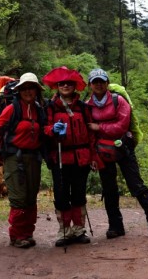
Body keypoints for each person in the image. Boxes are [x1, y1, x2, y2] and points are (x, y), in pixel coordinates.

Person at [86, 68, 148, 239]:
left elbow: (121, 126)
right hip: (102, 152)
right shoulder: (88, 106)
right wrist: (92, 155)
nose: (98, 84)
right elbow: (89, 134)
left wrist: (99, 127)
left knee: (136, 185)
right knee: (109, 189)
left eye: (101, 81)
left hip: (124, 148)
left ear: (107, 83)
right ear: (90, 85)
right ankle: (115, 227)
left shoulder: (119, 101)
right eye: (95, 82)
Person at [0, 72, 46, 248]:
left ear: (36, 90)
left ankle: (27, 233)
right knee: (18, 198)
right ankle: (17, 235)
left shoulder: (39, 109)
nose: (27, 91)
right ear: (19, 91)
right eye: (24, 88)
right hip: (13, 157)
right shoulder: (13, 108)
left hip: (34, 158)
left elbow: (44, 130)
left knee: (31, 197)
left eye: (31, 88)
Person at [42, 66, 103, 247]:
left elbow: (91, 135)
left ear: (75, 86)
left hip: (81, 158)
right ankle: (64, 231)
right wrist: (52, 130)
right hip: (59, 158)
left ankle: (78, 229)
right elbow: (44, 129)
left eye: (69, 83)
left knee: (78, 194)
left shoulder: (83, 108)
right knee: (61, 196)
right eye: (62, 83)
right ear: (57, 86)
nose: (66, 86)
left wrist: (93, 156)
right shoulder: (51, 107)